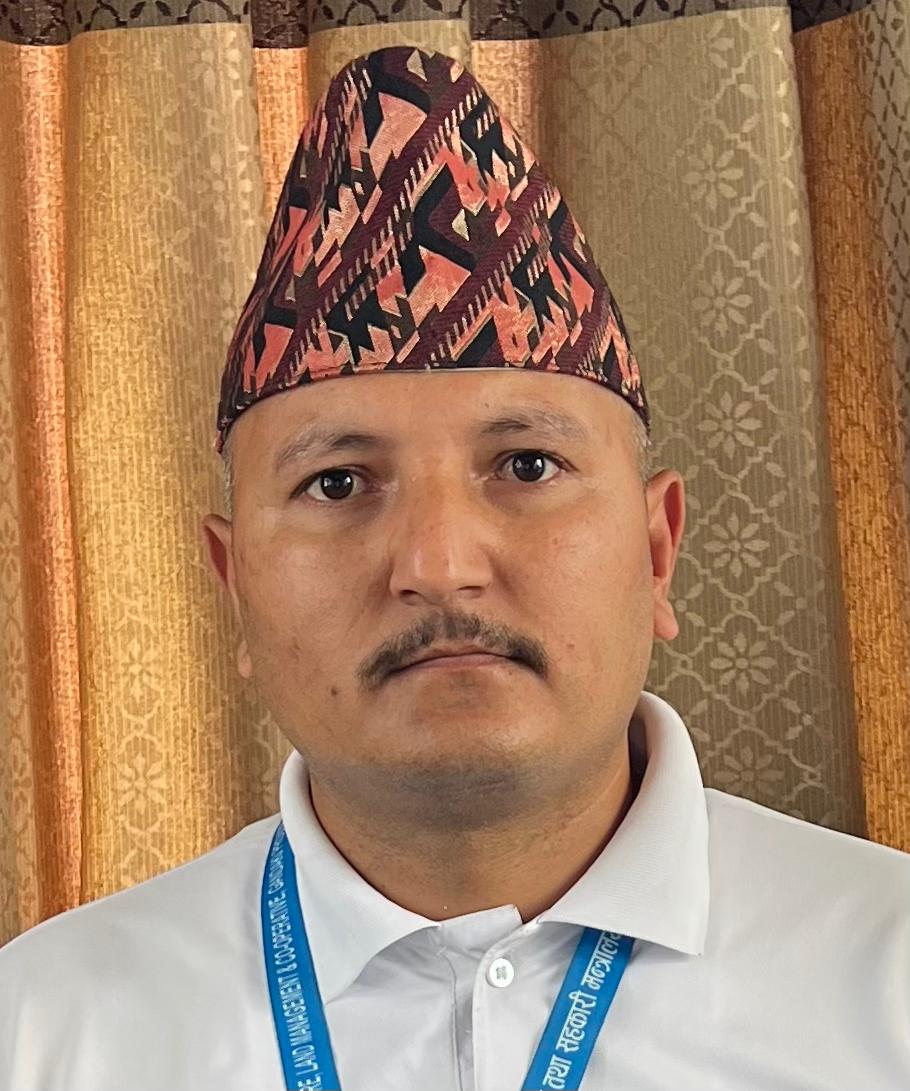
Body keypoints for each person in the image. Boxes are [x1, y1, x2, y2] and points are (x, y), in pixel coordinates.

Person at [1, 44, 908, 1091]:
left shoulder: (885, 980)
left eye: (527, 465)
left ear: (657, 550)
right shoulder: (42, 1028)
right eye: (339, 482)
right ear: (235, 585)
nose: (438, 566)